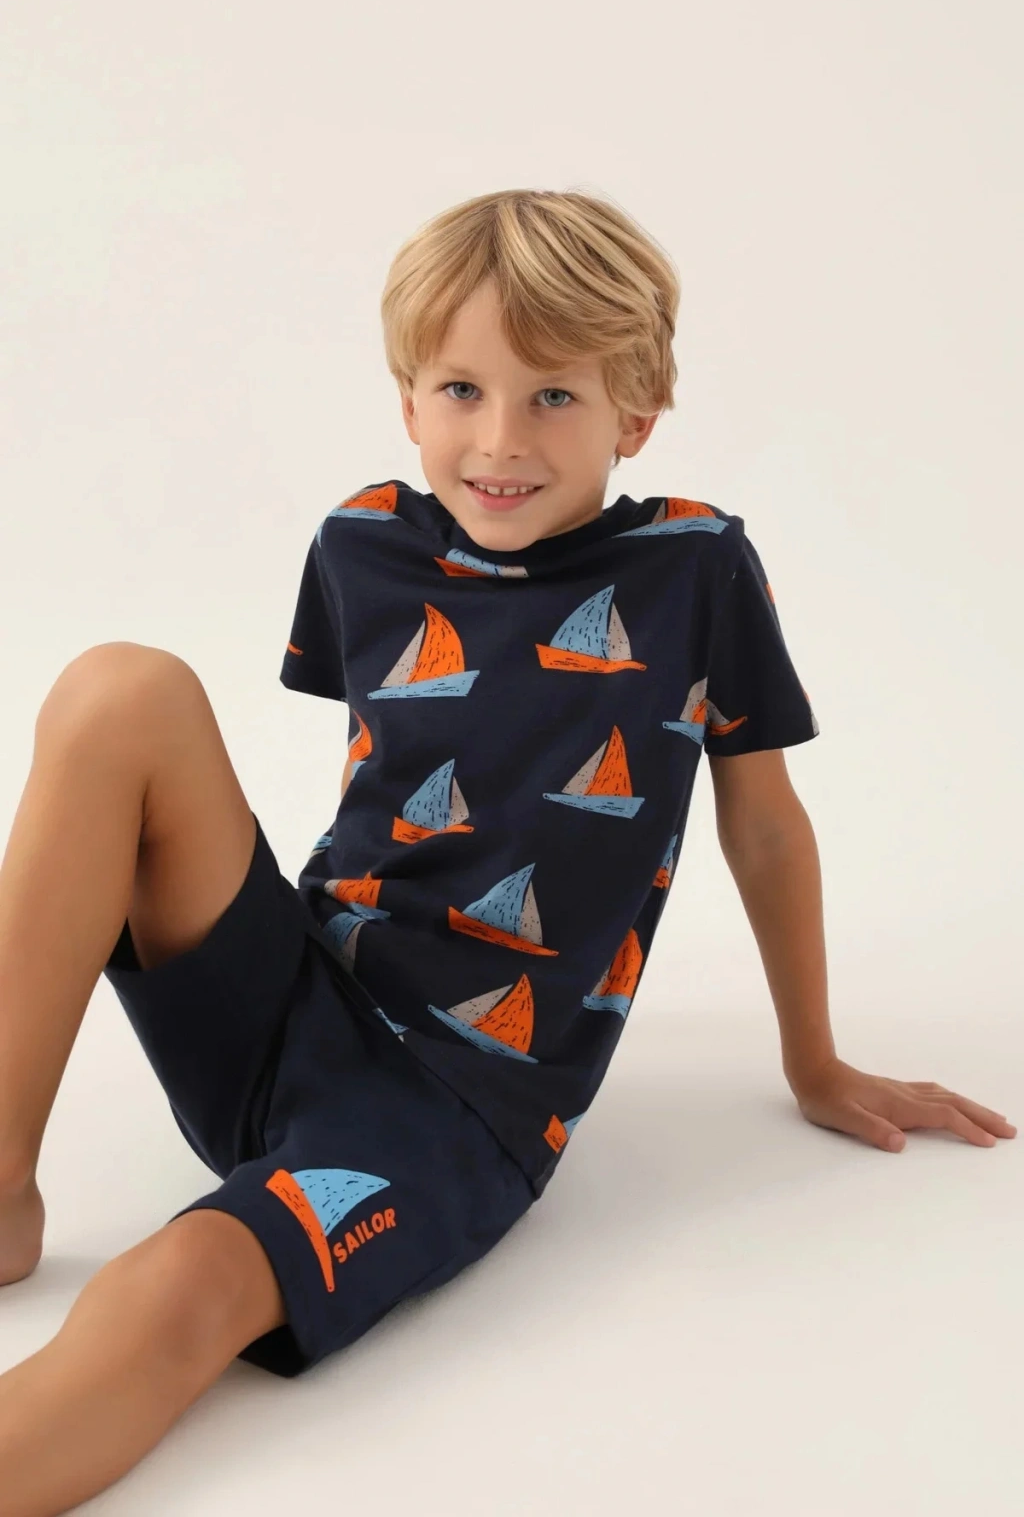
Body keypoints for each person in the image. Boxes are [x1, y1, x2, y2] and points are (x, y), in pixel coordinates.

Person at [0, 187, 1014, 1515]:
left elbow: (764, 825)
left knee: (179, 1283)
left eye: (553, 397)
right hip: (291, 990)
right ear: (408, 400)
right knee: (119, 688)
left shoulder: (696, 571)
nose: (498, 440)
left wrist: (813, 1062)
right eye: (462, 390)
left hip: (455, 1103)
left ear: (636, 413)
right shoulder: (361, 543)